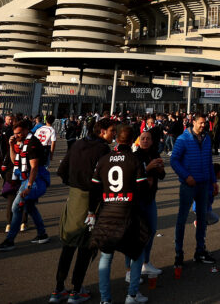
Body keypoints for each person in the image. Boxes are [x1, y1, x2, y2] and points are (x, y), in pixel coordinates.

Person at [51, 117, 115, 304]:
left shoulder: (78, 144)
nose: (114, 135)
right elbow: (103, 179)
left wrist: (74, 184)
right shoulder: (103, 149)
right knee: (86, 246)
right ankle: (76, 289)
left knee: (68, 243)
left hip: (74, 197)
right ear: (102, 131)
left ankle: (58, 288)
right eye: (112, 131)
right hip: (92, 200)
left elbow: (62, 170)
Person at [90, 123, 151, 304]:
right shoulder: (134, 160)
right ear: (133, 140)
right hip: (128, 212)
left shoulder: (104, 159)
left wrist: (92, 211)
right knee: (136, 253)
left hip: (107, 211)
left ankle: (105, 299)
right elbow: (142, 189)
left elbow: (94, 189)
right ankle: (132, 294)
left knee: (106, 255)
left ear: (116, 138)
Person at [169, 112, 217, 269]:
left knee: (202, 219)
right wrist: (186, 176)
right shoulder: (183, 139)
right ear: (193, 122)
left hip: (204, 184)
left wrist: (214, 181)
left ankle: (200, 251)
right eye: (201, 123)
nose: (203, 125)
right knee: (182, 219)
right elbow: (174, 160)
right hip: (188, 184)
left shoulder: (207, 138)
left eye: (205, 123)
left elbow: (209, 161)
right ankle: (178, 254)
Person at [0, 119, 51, 251]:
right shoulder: (22, 143)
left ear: (26, 130)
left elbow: (34, 167)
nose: (16, 136)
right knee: (29, 207)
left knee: (16, 207)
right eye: (15, 133)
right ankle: (42, 234)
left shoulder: (32, 144)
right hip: (28, 179)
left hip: (34, 180)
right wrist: (11, 145)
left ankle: (10, 240)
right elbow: (15, 160)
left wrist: (29, 186)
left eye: (19, 133)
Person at [127, 128, 165, 280]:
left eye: (148, 138)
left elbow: (161, 176)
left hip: (150, 198)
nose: (145, 141)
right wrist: (147, 168)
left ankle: (145, 262)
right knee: (136, 234)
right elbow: (131, 177)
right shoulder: (135, 156)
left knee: (152, 230)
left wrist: (160, 169)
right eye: (143, 138)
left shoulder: (155, 154)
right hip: (137, 200)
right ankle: (130, 268)